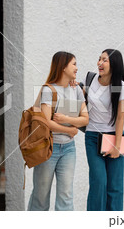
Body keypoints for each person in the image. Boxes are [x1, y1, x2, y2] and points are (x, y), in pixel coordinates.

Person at [27, 51, 89, 211]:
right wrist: (69, 131)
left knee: (66, 198)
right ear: (63, 67)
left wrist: (66, 120)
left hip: (68, 150)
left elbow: (85, 118)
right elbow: (46, 122)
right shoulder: (49, 90)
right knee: (40, 197)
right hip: (48, 148)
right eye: (74, 64)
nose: (77, 67)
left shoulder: (75, 90)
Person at [82, 49, 124, 211]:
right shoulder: (90, 80)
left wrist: (117, 145)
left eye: (104, 60)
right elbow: (79, 102)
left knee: (115, 187)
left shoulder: (121, 87)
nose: (99, 63)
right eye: (99, 59)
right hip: (93, 137)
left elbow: (121, 118)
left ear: (114, 64)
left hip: (114, 137)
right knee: (99, 182)